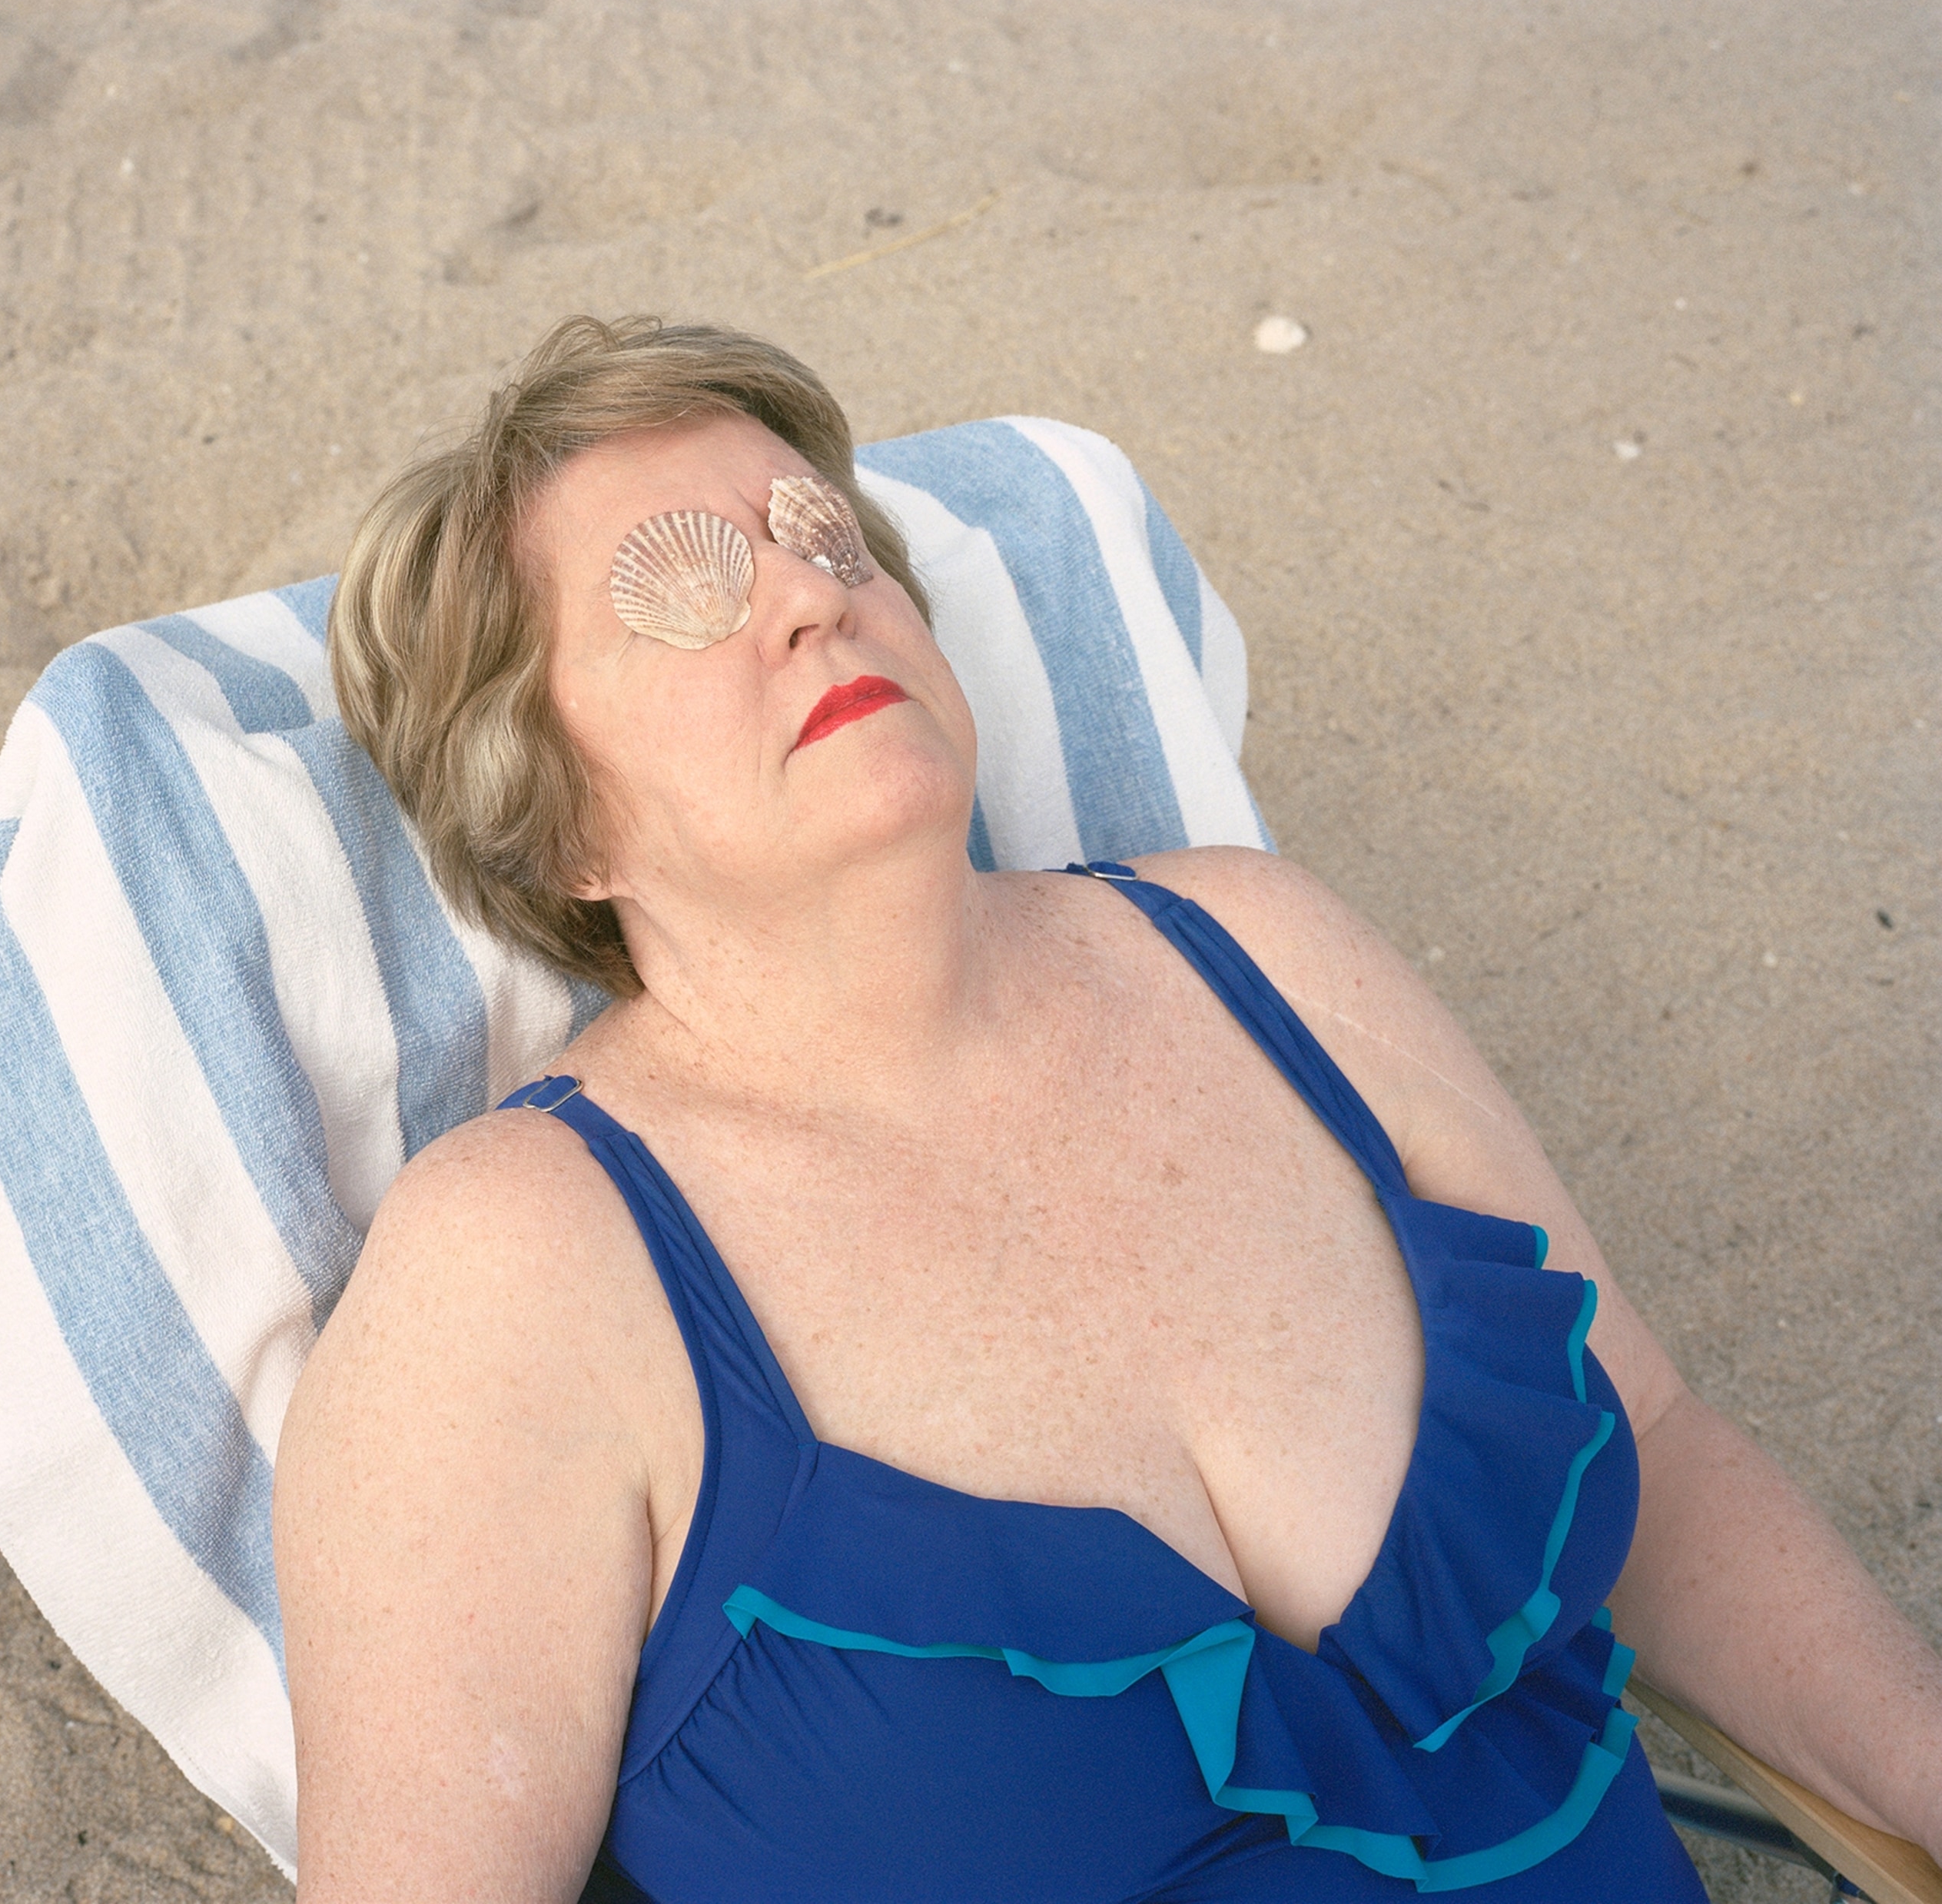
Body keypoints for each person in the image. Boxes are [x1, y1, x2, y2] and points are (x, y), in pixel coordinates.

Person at [273, 317, 1942, 1902]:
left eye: (826, 537)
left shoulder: (1260, 949)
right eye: (684, 588)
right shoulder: (520, 1268)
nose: (807, 594)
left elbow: (1649, 1444)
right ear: (558, 826)